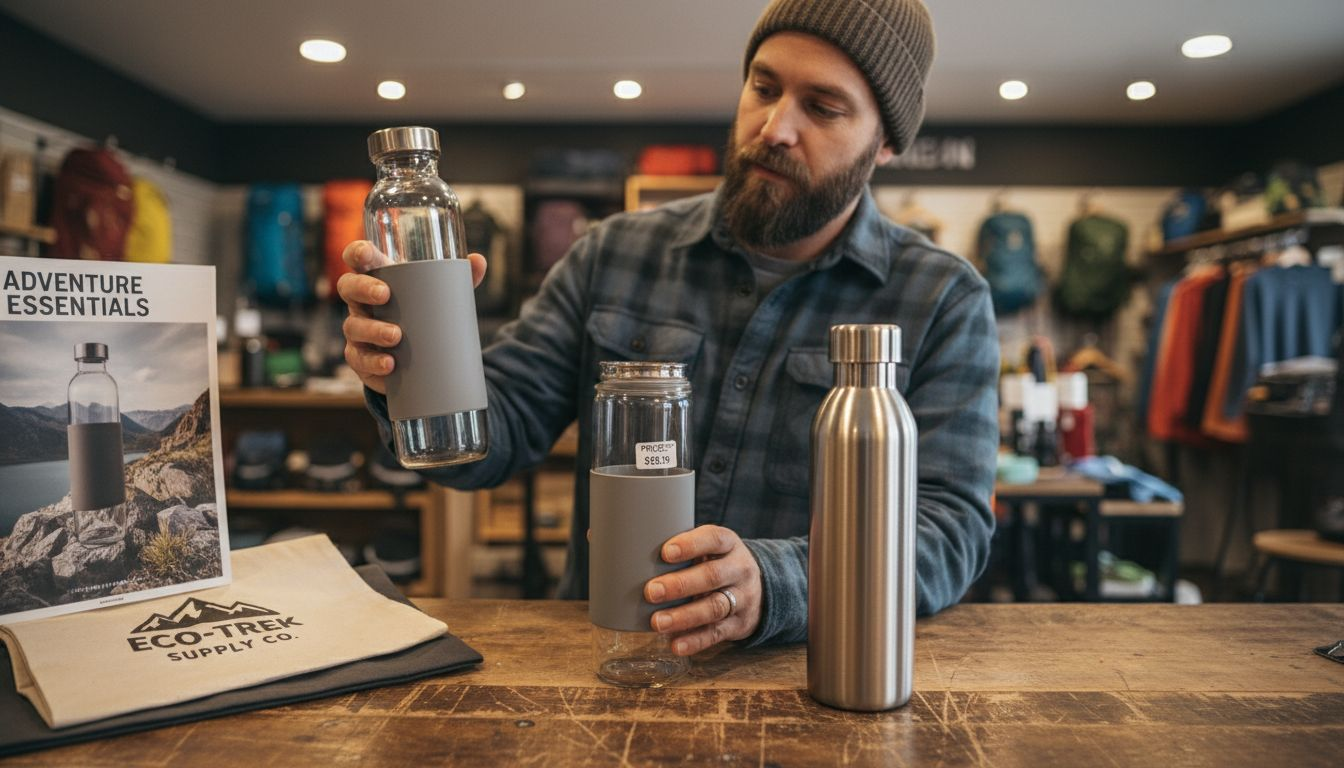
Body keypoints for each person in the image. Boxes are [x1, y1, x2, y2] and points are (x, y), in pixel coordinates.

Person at [338, 0, 998, 656]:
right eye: (763, 87)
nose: (774, 127)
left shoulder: (942, 298)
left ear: (885, 141)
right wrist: (406, 369)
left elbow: (948, 531)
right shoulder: (613, 253)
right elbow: (488, 443)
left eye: (823, 108)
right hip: (609, 669)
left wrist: (772, 583)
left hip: (810, 683)